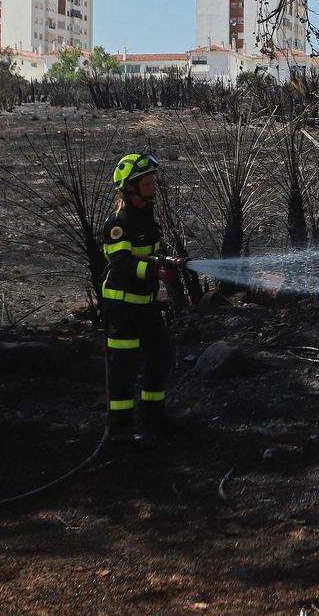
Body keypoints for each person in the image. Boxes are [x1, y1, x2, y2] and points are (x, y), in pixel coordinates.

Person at [100, 152, 181, 447]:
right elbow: (120, 261)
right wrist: (154, 270)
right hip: (122, 309)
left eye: (152, 182)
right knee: (123, 368)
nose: (152, 187)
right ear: (131, 188)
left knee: (161, 357)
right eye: (147, 183)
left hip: (146, 306)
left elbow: (150, 255)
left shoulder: (149, 223)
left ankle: (153, 416)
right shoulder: (118, 224)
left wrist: (167, 263)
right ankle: (119, 429)